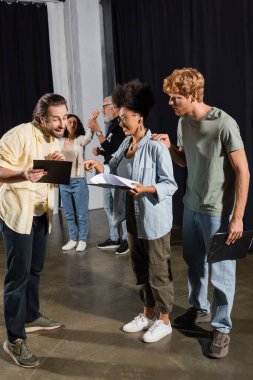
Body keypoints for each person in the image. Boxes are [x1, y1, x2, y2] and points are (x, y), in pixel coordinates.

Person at [153, 67, 250, 358]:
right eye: (169, 97)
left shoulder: (224, 124)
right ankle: (199, 309)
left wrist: (238, 217)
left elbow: (243, 171)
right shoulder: (183, 123)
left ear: (193, 95)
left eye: (175, 97)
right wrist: (171, 147)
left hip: (218, 212)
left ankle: (222, 328)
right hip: (191, 206)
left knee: (222, 273)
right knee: (194, 261)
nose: (170, 102)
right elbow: (185, 162)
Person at [84, 79, 178, 343]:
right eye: (120, 117)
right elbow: (112, 170)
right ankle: (147, 313)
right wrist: (98, 166)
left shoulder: (156, 146)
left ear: (140, 117)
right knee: (139, 267)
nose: (121, 122)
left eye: (125, 118)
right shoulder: (125, 145)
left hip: (154, 217)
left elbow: (171, 184)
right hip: (133, 214)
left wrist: (146, 189)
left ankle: (164, 320)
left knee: (158, 270)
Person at [0, 93, 68, 368]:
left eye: (64, 116)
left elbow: (51, 175)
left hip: (41, 213)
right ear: (42, 118)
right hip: (18, 213)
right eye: (56, 118)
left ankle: (31, 316)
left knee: (35, 268)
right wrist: (22, 174)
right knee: (19, 275)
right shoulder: (19, 134)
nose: (62, 123)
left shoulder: (54, 138)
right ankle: (15, 338)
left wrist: (58, 163)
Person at [87, 96, 129, 255]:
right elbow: (110, 149)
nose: (103, 109)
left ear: (115, 107)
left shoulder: (122, 125)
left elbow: (116, 152)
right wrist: (101, 152)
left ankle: (125, 238)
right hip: (107, 168)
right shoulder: (112, 125)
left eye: (105, 106)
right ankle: (114, 237)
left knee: (120, 206)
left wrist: (98, 131)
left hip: (118, 171)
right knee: (108, 205)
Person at [59, 114, 93, 252]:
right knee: (69, 213)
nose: (72, 124)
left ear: (77, 125)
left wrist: (93, 123)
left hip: (78, 181)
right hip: (64, 181)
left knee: (81, 213)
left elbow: (89, 137)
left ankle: (82, 240)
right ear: (65, 125)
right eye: (69, 122)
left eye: (74, 122)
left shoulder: (80, 140)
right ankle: (73, 239)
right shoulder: (60, 141)